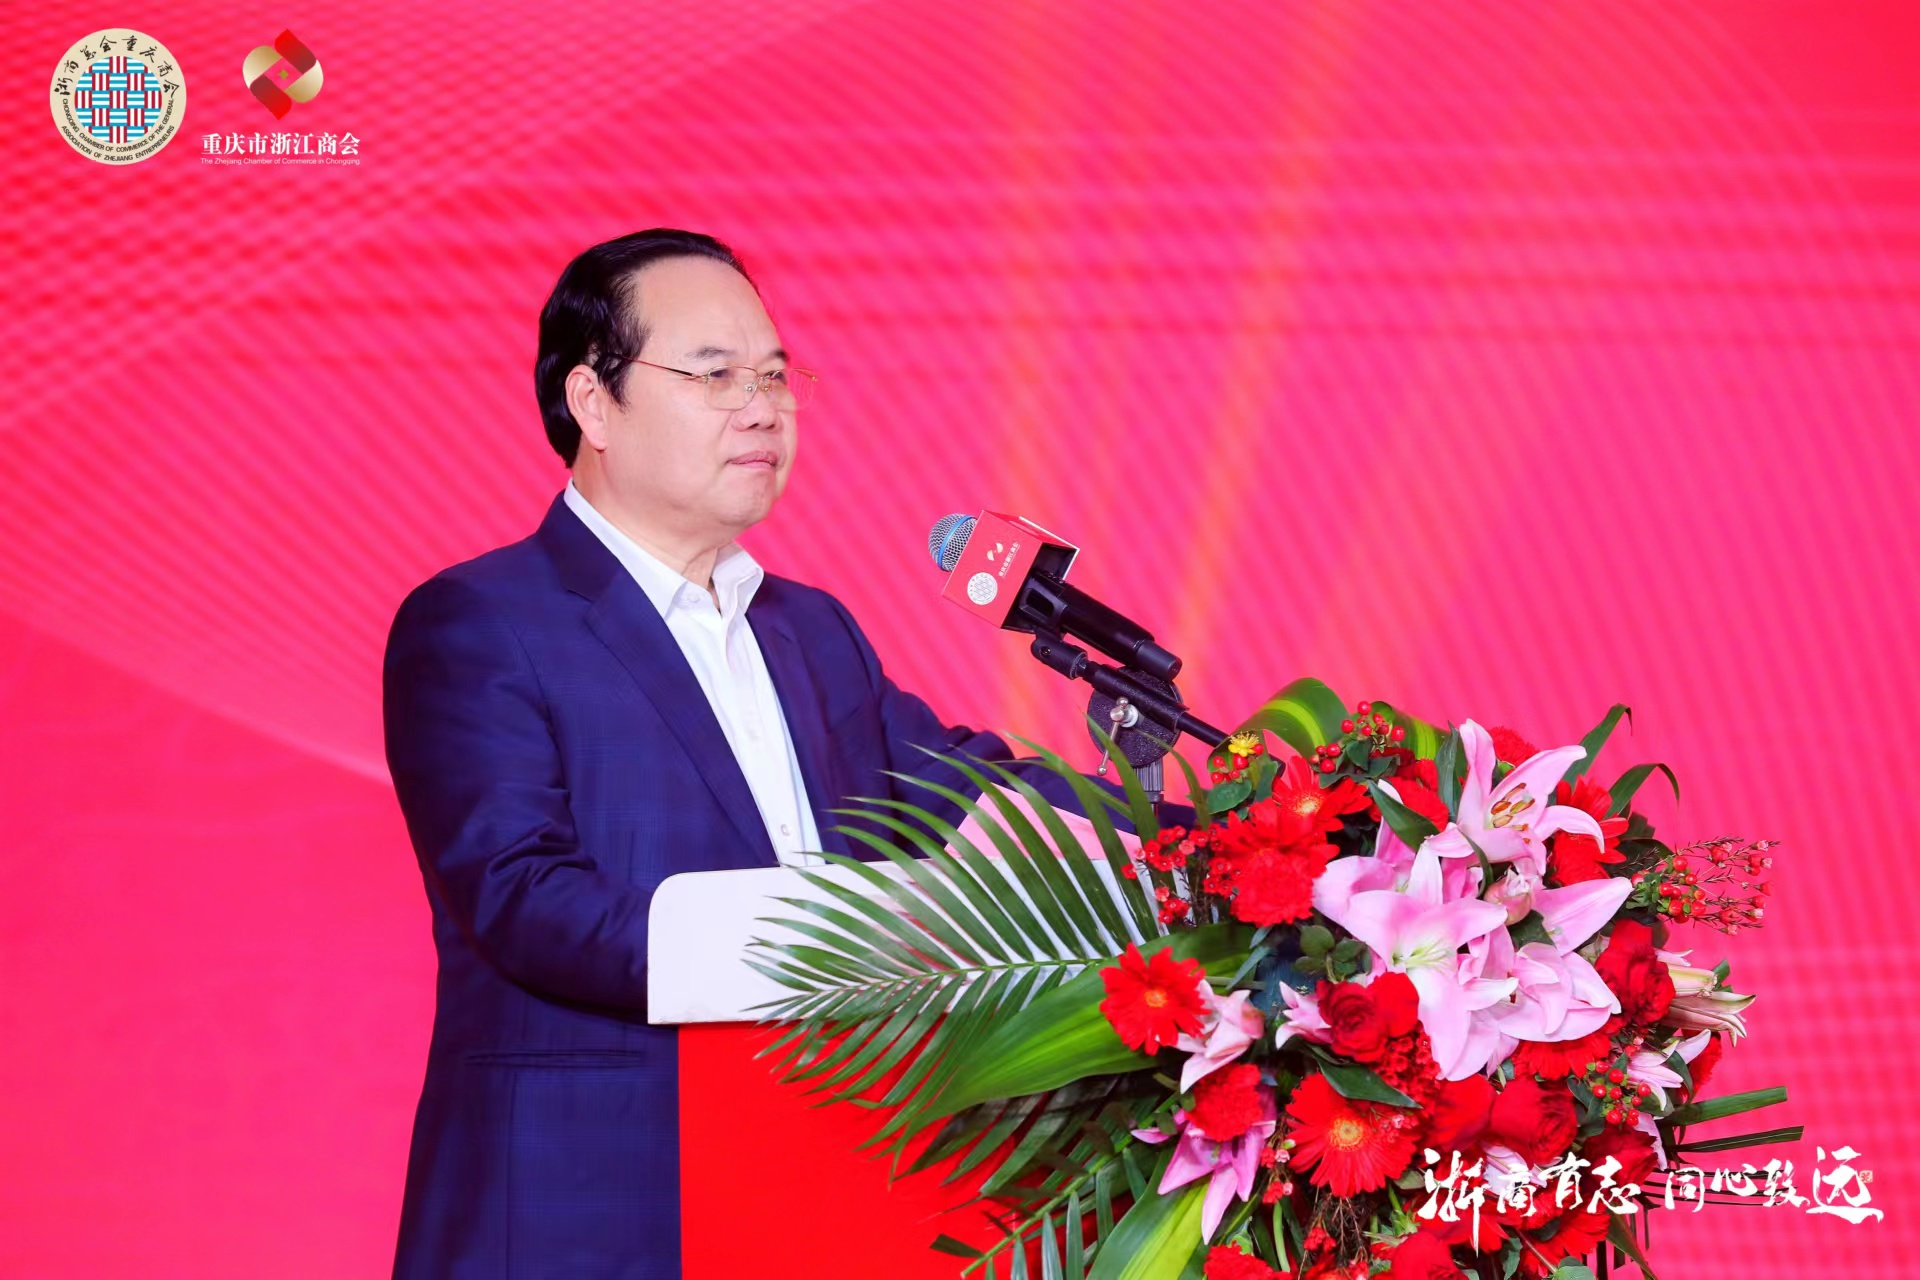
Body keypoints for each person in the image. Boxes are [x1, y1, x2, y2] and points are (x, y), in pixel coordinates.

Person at [382, 229, 1132, 1279]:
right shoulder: (481, 622)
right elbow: (525, 900)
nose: (763, 407)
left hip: (809, 1194)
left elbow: (972, 793)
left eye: (776, 375)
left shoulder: (808, 629)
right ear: (593, 401)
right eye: (714, 374)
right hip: (585, 1204)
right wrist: (833, 935)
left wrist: (1240, 842)